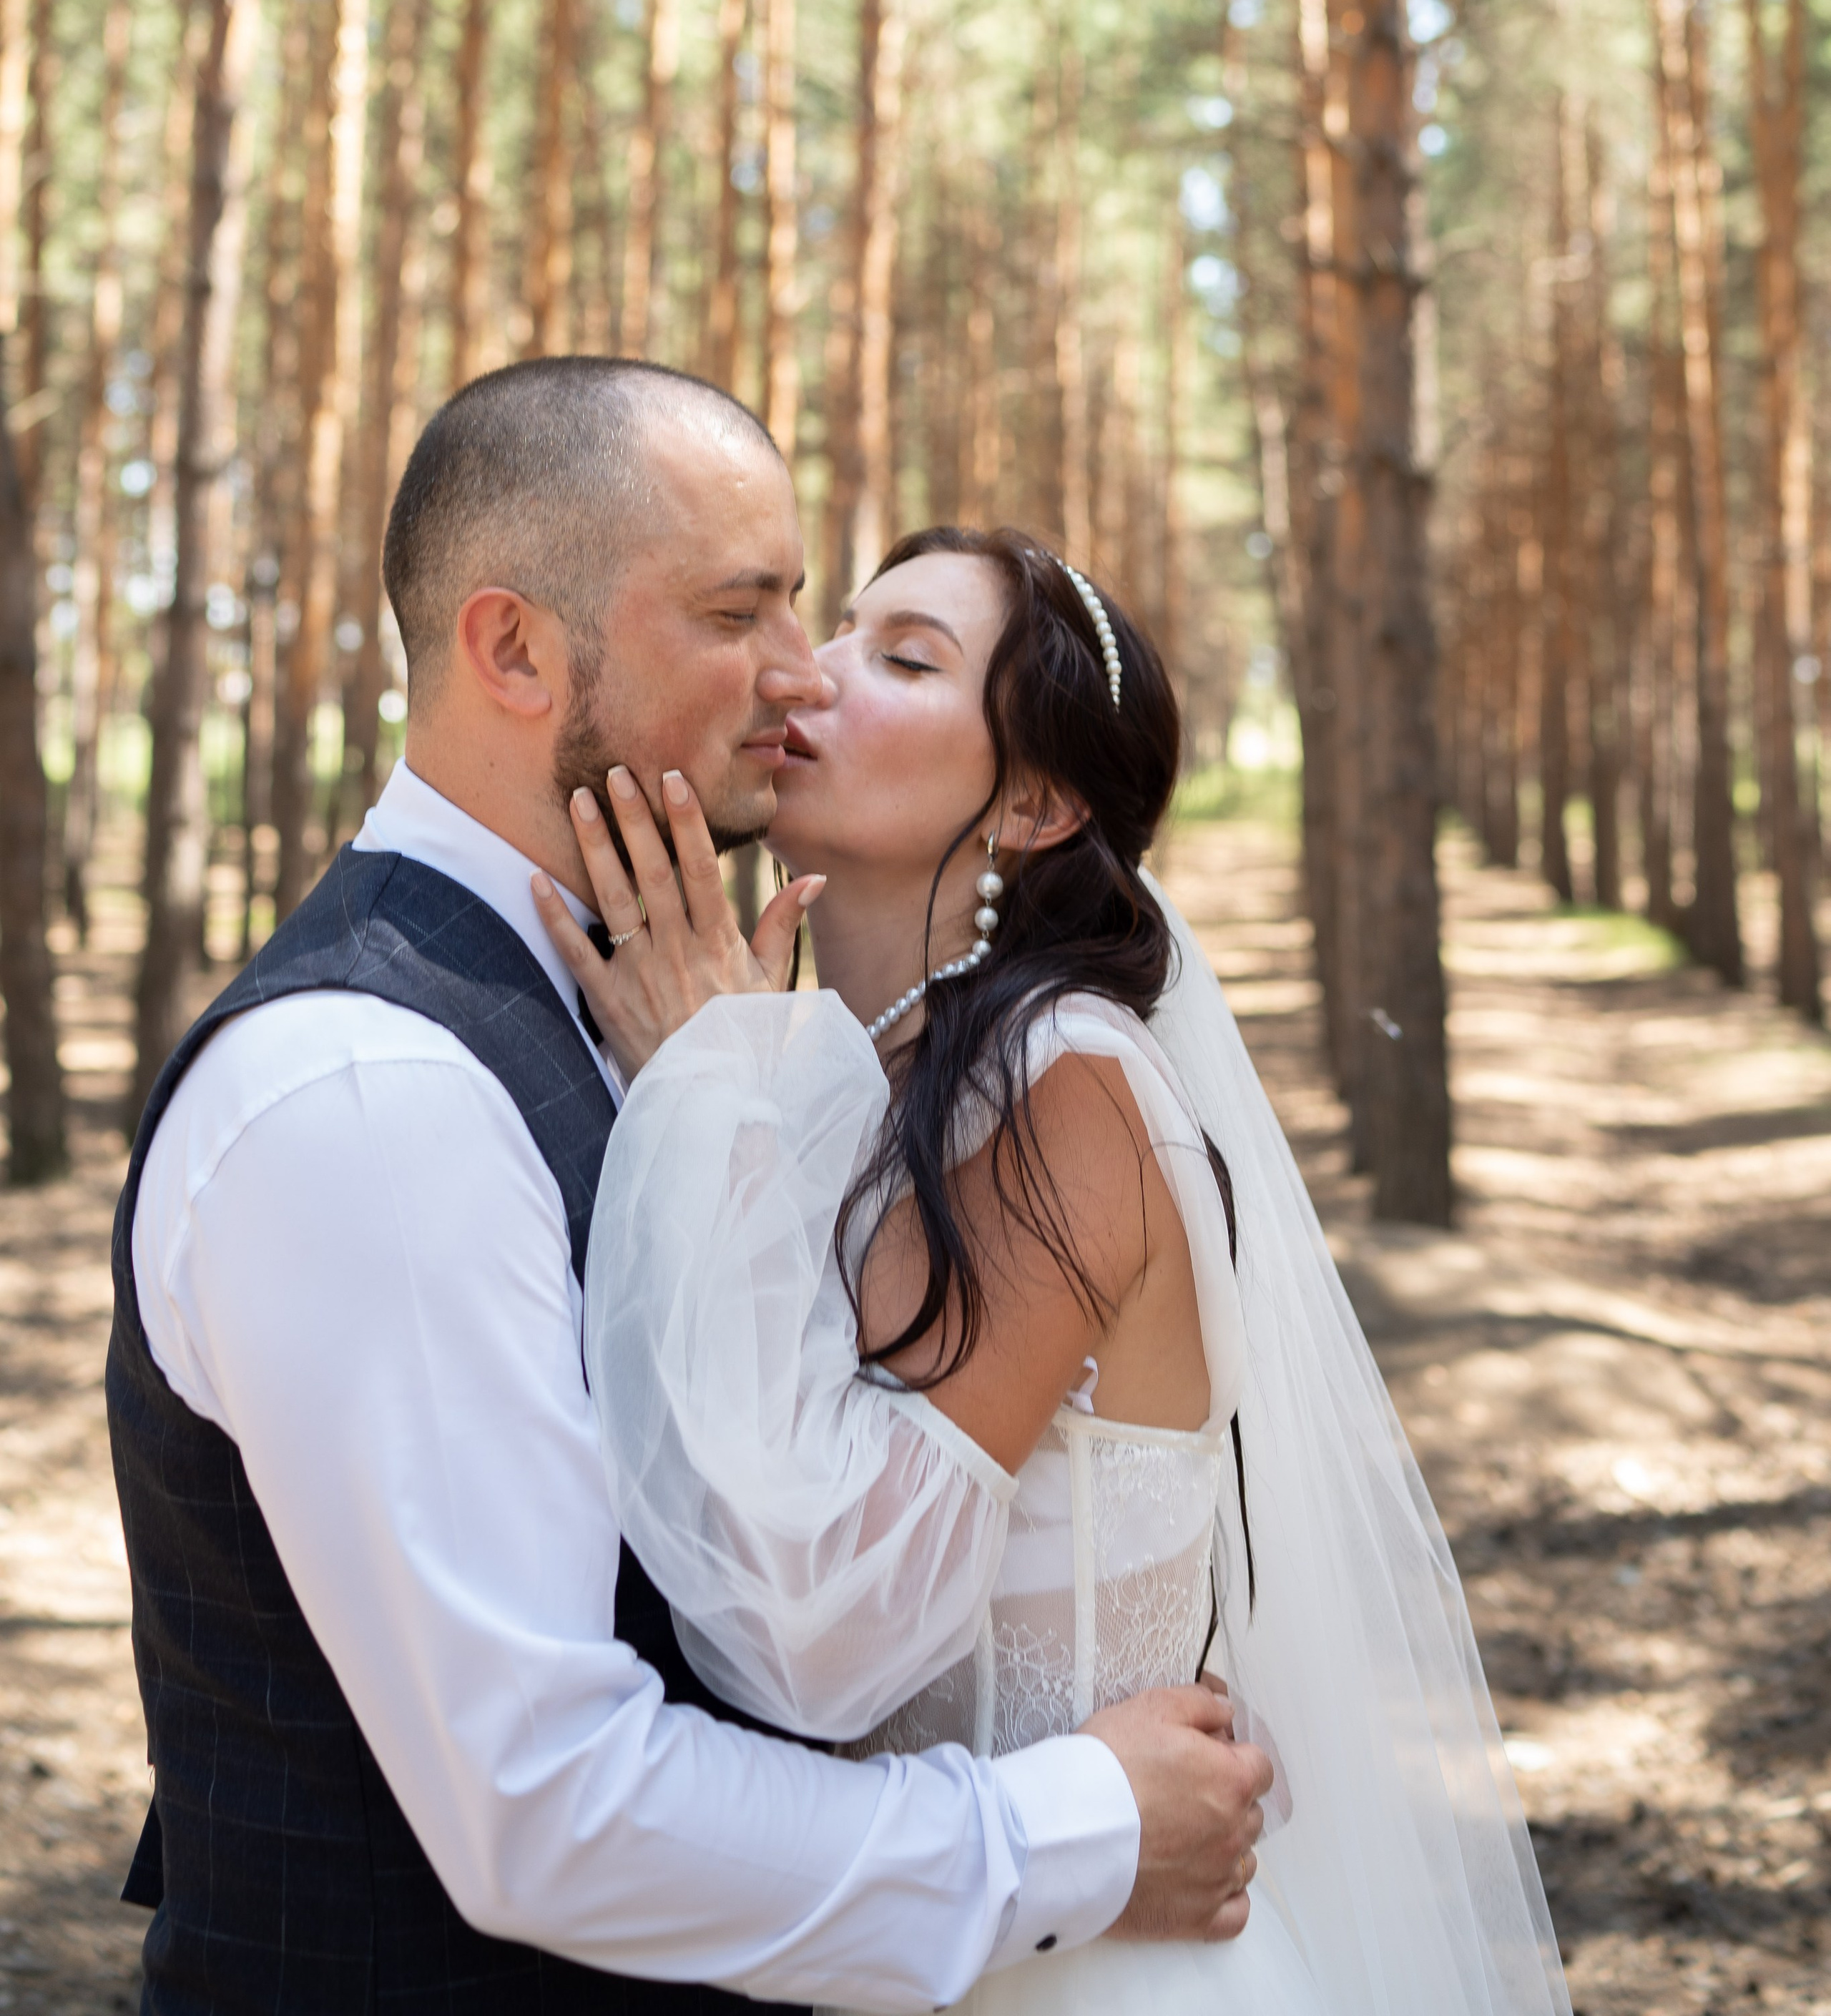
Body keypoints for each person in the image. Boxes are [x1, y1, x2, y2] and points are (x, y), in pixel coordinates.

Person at [107, 360, 1271, 2016]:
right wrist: (1073, 1822)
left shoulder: (658, 1015)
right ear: (512, 648)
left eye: (820, 612)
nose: (798, 676)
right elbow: (551, 1801)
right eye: (741, 612)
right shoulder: (373, 1092)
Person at [538, 526, 1575, 2015]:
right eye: (834, 630)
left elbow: (819, 1626)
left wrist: (706, 1084)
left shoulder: (1061, 1085)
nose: (806, 673)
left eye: (902, 657)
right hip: (917, 1940)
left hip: (1090, 1973)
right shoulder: (867, 1076)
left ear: (1031, 800)